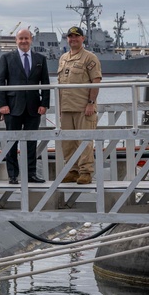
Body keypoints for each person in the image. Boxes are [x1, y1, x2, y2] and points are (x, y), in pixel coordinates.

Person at [0, 28, 50, 184]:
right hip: (12, 107)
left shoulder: (40, 58)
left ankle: (30, 173)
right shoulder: (7, 58)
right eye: (21, 39)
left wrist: (45, 103)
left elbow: (45, 82)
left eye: (26, 38)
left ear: (31, 39)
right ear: (16, 41)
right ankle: (13, 175)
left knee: (31, 142)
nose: (24, 41)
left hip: (33, 107)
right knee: (12, 141)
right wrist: (2, 104)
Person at [57, 26, 102, 184]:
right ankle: (72, 170)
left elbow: (96, 81)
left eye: (76, 36)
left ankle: (86, 172)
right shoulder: (63, 58)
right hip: (67, 107)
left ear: (83, 39)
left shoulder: (89, 58)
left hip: (84, 107)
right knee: (67, 141)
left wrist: (91, 103)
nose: (73, 39)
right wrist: (60, 107)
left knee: (85, 140)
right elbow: (60, 84)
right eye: (70, 36)